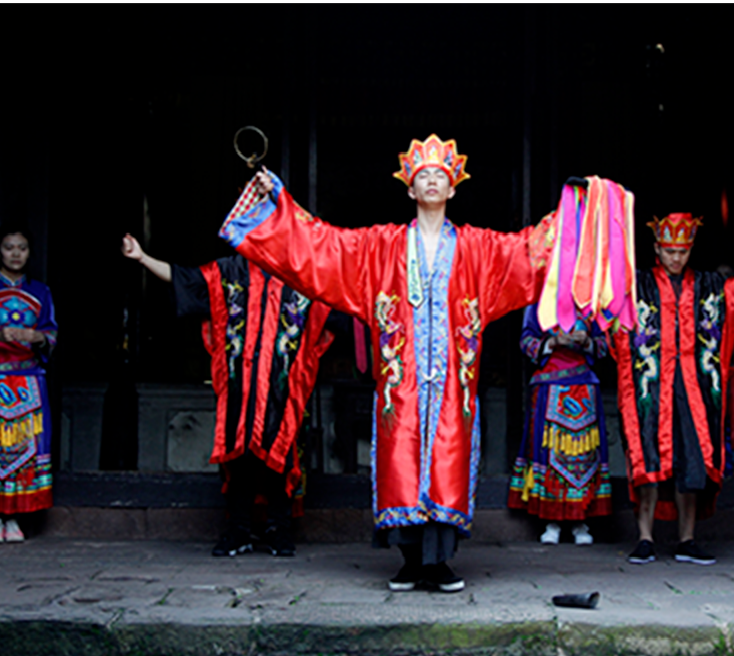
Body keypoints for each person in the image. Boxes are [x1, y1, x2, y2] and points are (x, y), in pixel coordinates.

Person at [218, 135, 558, 592]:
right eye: (424, 176)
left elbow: (526, 252)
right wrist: (276, 201)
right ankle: (410, 561)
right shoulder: (381, 247)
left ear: (453, 188)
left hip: (451, 387)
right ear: (410, 189)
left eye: (441, 175)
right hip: (401, 386)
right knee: (401, 462)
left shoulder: (478, 248)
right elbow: (324, 246)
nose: (432, 181)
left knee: (447, 464)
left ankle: (439, 562)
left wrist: (578, 213)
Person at [121, 235, 335, 557]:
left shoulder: (300, 274)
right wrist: (142, 258)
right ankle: (238, 530)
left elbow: (338, 297)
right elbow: (186, 279)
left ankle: (279, 529)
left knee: (281, 455)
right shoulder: (230, 271)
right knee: (238, 458)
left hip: (282, 390)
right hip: (240, 388)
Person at [611, 213, 734, 566]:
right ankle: (645, 538)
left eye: (683, 251)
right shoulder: (638, 283)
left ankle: (687, 539)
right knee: (648, 458)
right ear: (657, 248)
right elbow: (610, 304)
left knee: (692, 460)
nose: (676, 258)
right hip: (651, 385)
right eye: (670, 251)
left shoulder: (706, 284)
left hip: (693, 387)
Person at [0, 225, 58, 543]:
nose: (16, 254)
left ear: (29, 252)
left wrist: (37, 337)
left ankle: (15, 517)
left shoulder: (41, 292)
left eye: (22, 248)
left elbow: (51, 333)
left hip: (28, 379)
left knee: (24, 450)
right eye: (9, 247)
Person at [508, 305, 612, 544]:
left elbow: (606, 343)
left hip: (584, 383)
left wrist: (587, 342)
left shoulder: (591, 300)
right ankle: (551, 520)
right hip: (549, 384)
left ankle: (580, 520)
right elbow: (526, 341)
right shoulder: (539, 303)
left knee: (585, 456)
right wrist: (553, 342)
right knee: (548, 454)